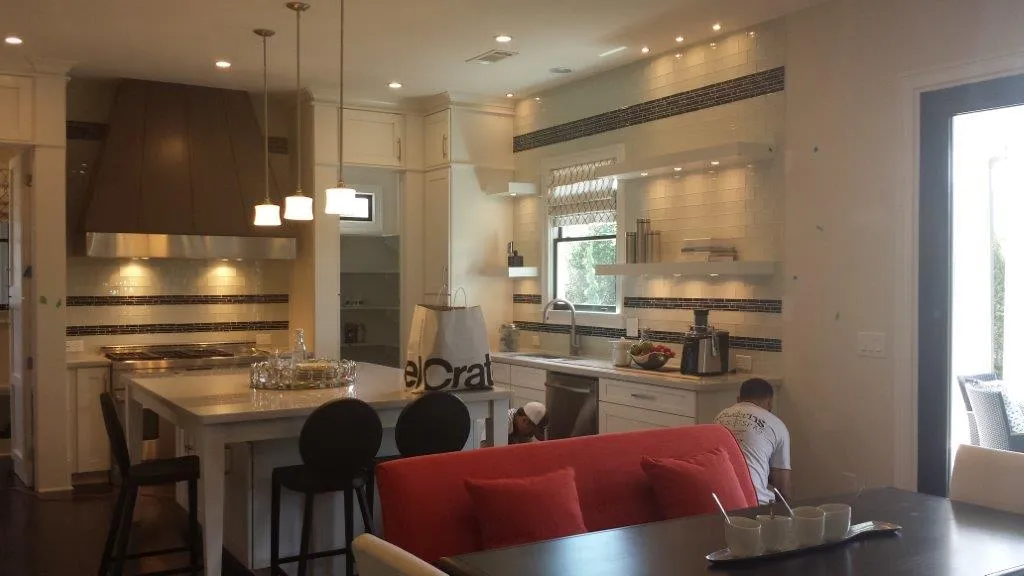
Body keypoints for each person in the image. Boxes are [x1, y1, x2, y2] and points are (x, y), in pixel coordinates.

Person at [713, 378, 791, 505]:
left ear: (738, 399)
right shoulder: (777, 425)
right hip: (754, 503)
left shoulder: (720, 417)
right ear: (770, 402)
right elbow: (783, 488)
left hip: (717, 501)